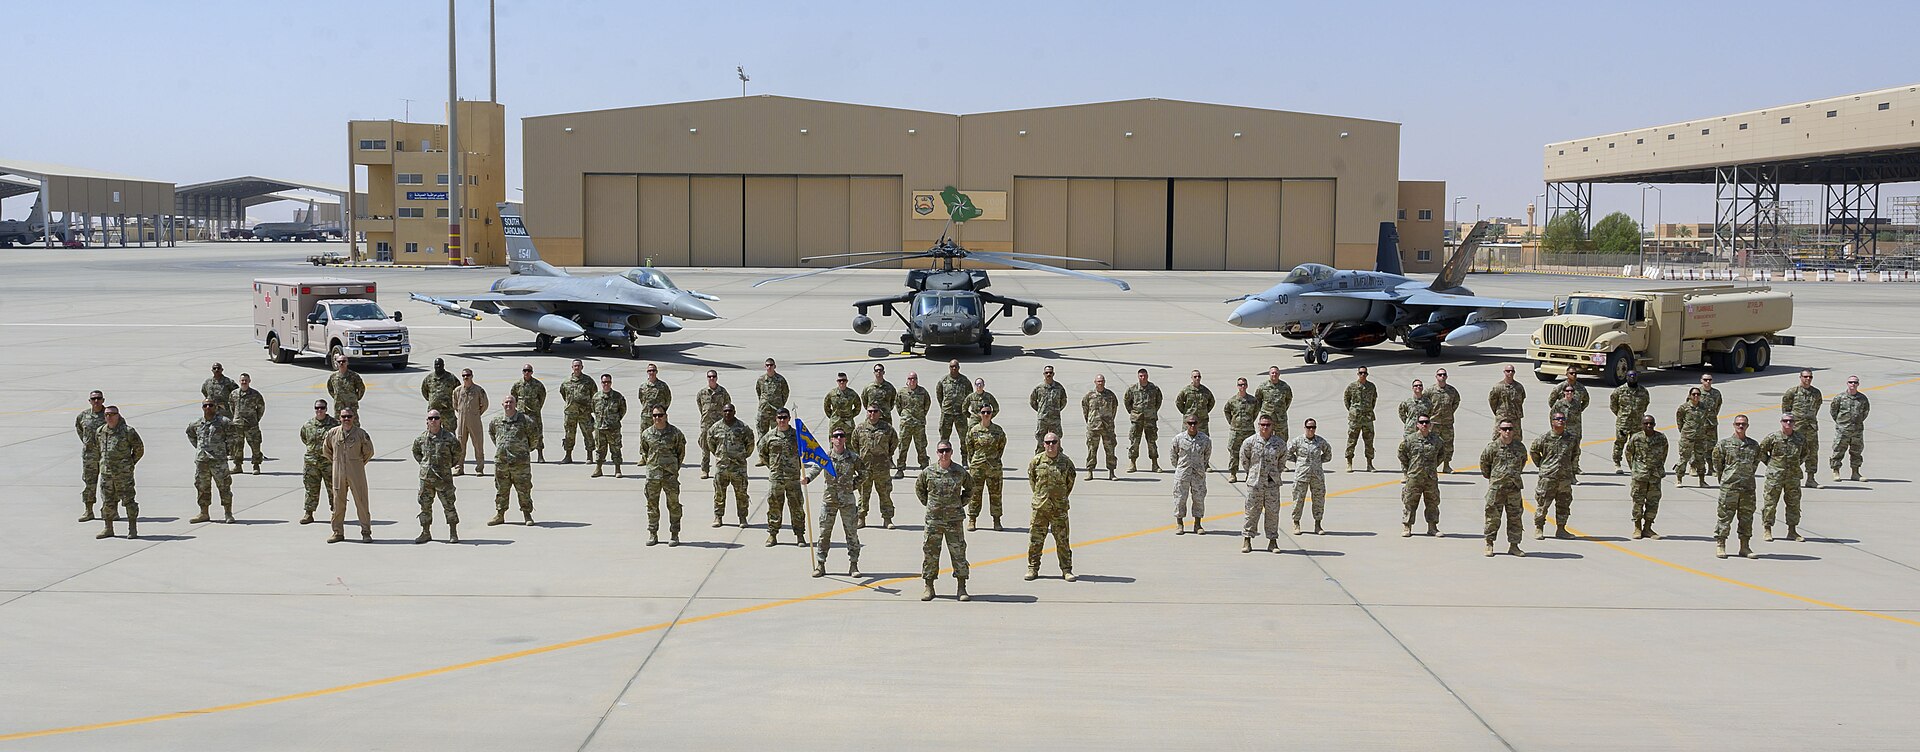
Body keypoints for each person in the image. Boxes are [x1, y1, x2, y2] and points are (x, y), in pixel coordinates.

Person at [916, 440, 974, 601]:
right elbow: (919, 489)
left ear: (951, 452)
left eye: (947, 450)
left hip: (954, 520)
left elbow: (970, 488)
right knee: (930, 553)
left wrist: (959, 503)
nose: (944, 454)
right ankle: (929, 586)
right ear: (937, 453)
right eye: (941, 451)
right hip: (933, 520)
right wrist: (929, 505)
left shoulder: (959, 471)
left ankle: (961, 587)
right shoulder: (928, 472)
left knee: (958, 553)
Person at [810, 429, 864, 578]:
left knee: (851, 533)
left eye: (841, 436)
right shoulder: (825, 457)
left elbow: (864, 472)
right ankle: (820, 564)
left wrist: (853, 485)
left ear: (845, 439)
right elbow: (815, 469)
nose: (839, 438)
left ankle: (853, 565)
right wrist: (807, 479)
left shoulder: (852, 457)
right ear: (831, 439)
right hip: (830, 501)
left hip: (847, 502)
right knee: (824, 533)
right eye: (836, 436)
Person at [1026, 432, 1077, 581]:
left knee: (1062, 540)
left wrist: (1060, 497)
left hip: (1059, 508)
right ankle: (1032, 568)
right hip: (1040, 508)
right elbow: (1032, 481)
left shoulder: (1066, 462)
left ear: (1058, 443)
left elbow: (1070, 482)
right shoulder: (1036, 461)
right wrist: (1041, 496)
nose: (1050, 445)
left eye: (1054, 442)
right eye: (1048, 442)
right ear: (1043, 444)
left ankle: (1066, 570)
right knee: (1035, 540)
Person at [1711, 415, 1762, 559]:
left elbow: (1755, 463)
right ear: (1734, 425)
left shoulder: (1753, 445)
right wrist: (1725, 479)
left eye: (1743, 424)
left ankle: (1744, 547)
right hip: (1729, 487)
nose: (1741, 426)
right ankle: (1721, 544)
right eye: (1738, 424)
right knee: (1724, 517)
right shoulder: (1724, 444)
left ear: (1747, 426)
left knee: (1746, 518)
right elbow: (1718, 464)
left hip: (1748, 488)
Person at [757, 409, 809, 546]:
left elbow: (806, 452)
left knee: (797, 507)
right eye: (779, 417)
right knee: (774, 506)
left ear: (789, 418)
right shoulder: (770, 436)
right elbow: (762, 453)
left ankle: (800, 535)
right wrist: (773, 466)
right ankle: (772, 535)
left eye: (784, 417)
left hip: (793, 478)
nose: (782, 420)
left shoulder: (797, 435)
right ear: (776, 419)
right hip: (776, 478)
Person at [323, 408, 375, 543]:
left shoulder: (360, 434)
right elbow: (327, 450)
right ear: (339, 418)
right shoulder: (332, 433)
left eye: (349, 416)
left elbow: (369, 452)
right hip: (338, 471)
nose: (346, 419)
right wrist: (337, 462)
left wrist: (357, 464)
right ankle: (337, 532)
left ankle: (366, 532)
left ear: (353, 417)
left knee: (361, 502)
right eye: (344, 416)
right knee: (338, 503)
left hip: (356, 471)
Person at [636, 405, 687, 545]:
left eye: (660, 415)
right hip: (653, 476)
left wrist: (673, 467)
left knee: (674, 505)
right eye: (655, 415)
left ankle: (674, 534)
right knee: (652, 505)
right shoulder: (646, 434)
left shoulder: (675, 433)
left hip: (669, 475)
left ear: (665, 416)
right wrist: (652, 466)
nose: (657, 418)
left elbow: (680, 452)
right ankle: (653, 533)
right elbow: (645, 452)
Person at [410, 409, 461, 544]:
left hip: (443, 479)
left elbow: (457, 453)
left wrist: (447, 465)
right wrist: (424, 465)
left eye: (436, 418)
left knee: (449, 505)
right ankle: (425, 532)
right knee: (425, 506)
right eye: (431, 418)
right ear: (427, 421)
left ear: (440, 420)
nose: (433, 421)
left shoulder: (449, 438)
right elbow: (416, 453)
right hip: (426, 479)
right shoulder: (421, 439)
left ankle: (453, 532)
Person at [1238, 416, 1287, 553]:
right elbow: (1244, 459)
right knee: (1251, 512)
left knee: (1273, 513)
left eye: (1268, 425)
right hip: (1255, 484)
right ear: (1258, 425)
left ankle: (1272, 541)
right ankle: (1247, 540)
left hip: (1272, 484)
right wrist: (1252, 473)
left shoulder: (1279, 443)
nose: (1265, 427)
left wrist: (1275, 473)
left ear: (1273, 426)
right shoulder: (1250, 442)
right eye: (1262, 424)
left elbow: (1282, 462)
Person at [93, 405, 143, 539]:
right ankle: (108, 528)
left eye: (112, 414)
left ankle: (132, 529)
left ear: (118, 415)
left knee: (129, 500)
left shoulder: (128, 431)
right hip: (106, 473)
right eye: (107, 415)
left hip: (123, 474)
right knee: (107, 501)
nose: (109, 417)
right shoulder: (100, 431)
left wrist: (129, 464)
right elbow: (99, 448)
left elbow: (139, 449)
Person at [1757, 415, 1809, 543]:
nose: (1788, 423)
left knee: (1793, 503)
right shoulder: (1773, 437)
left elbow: (1805, 453)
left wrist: (1796, 464)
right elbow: (1761, 451)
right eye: (1785, 421)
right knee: (1770, 502)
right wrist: (1771, 464)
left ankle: (1792, 530)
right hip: (1775, 476)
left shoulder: (1800, 438)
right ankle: (1767, 529)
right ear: (1781, 422)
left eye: (1791, 421)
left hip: (1793, 476)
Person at [1480, 421, 1528, 557]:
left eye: (1510, 429)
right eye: (1504, 429)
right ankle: (1489, 544)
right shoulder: (1492, 447)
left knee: (1515, 518)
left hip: (1514, 488)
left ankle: (1514, 545)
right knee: (1492, 518)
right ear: (1499, 430)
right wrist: (1494, 478)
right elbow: (1484, 465)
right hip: (1497, 489)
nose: (1507, 431)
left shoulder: (1519, 447)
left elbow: (1523, 462)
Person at [1529, 411, 1579, 539]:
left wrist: (1570, 469)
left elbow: (1575, 454)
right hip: (1548, 477)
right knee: (1543, 503)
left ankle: (1561, 529)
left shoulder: (1571, 438)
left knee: (1564, 504)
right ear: (1552, 422)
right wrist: (1542, 466)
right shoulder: (1544, 438)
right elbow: (1534, 451)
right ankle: (1539, 528)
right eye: (1557, 419)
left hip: (1564, 478)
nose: (1561, 421)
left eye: (1562, 419)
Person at [185, 400, 235, 524]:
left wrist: (226, 451)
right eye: (205, 405)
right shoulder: (197, 423)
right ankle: (204, 513)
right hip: (202, 461)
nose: (208, 407)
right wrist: (198, 448)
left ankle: (228, 513)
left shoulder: (224, 422)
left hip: (218, 461)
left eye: (211, 405)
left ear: (216, 407)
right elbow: (190, 433)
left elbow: (233, 437)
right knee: (202, 487)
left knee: (224, 486)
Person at [490, 395, 537, 527]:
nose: (508, 404)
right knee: (501, 489)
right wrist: (502, 449)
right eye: (506, 402)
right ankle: (500, 514)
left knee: (524, 489)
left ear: (515, 404)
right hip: (502, 462)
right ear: (502, 404)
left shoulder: (525, 420)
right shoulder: (496, 421)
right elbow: (493, 435)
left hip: (520, 463)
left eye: (511, 402)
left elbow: (534, 438)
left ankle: (527, 514)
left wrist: (524, 451)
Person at [706, 403, 755, 528]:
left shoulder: (743, 428)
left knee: (741, 494)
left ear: (734, 411)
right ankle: (718, 517)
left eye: (730, 411)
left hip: (738, 468)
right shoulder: (715, 428)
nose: (727, 413)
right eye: (725, 411)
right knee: (719, 493)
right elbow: (711, 444)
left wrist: (741, 456)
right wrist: (719, 455)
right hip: (722, 467)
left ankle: (742, 517)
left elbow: (750, 444)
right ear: (722, 412)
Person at [1623, 415, 1669, 539]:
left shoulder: (1661, 438)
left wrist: (1658, 467)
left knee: (1653, 502)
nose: (1649, 426)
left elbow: (1664, 453)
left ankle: (1648, 528)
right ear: (1642, 425)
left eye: (1651, 423)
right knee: (1638, 501)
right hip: (1640, 476)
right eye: (1646, 423)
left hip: (1655, 475)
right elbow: (1628, 453)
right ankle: (1637, 527)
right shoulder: (1636, 438)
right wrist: (1634, 468)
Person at [964, 403, 1008, 530]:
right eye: (983, 412)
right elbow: (969, 448)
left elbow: (1001, 447)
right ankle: (972, 519)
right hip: (977, 467)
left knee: (995, 494)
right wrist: (975, 461)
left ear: (991, 414)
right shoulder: (974, 431)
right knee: (975, 494)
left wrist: (994, 459)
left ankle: (996, 520)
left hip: (994, 468)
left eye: (988, 412)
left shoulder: (998, 431)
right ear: (979, 414)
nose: (986, 415)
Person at [1287, 418, 1335, 536]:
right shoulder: (1298, 441)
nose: (1311, 430)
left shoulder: (1320, 441)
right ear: (1305, 428)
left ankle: (1318, 524)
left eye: (1313, 427)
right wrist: (1298, 462)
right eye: (1309, 427)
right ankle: (1296, 523)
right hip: (1301, 475)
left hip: (1317, 476)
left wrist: (1318, 462)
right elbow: (1287, 453)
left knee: (1318, 500)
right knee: (1298, 500)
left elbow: (1328, 454)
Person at [853, 405, 899, 528]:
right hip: (865, 468)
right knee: (863, 494)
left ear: (879, 413)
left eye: (875, 411)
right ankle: (861, 518)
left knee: (885, 494)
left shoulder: (887, 428)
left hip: (882, 468)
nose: (872, 414)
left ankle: (887, 519)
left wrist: (887, 455)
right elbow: (854, 444)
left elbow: (894, 442)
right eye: (870, 411)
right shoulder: (860, 428)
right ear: (867, 413)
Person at [1397, 416, 1442, 537]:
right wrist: (1409, 469)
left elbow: (1442, 454)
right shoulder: (1410, 439)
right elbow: (1402, 454)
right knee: (1410, 501)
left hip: (1430, 477)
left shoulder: (1436, 440)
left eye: (1427, 422)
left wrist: (1432, 466)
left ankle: (1432, 527)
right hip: (1414, 476)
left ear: (1430, 424)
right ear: (1417, 424)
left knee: (1432, 502)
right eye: (1421, 422)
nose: (1424, 425)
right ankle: (1407, 526)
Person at [298, 400, 340, 524]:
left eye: (322, 408)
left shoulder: (335, 425)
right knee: (311, 488)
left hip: (328, 463)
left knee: (333, 489)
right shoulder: (308, 425)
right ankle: (309, 513)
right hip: (311, 463)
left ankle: (336, 513)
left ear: (326, 409)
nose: (319, 410)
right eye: (317, 408)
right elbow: (304, 438)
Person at [1781, 369, 1824, 488]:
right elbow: (1786, 410)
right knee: (1794, 453)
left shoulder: (1816, 393)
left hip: (1811, 428)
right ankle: (1791, 479)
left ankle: (1811, 478)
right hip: (1796, 428)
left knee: (1812, 453)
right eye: (1805, 377)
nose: (1808, 379)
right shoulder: (1792, 392)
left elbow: (1817, 406)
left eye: (1810, 377)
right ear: (1800, 377)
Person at [1169, 413, 1211, 535]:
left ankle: (1197, 524)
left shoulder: (1205, 439)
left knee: (1199, 499)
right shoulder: (1178, 439)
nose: (1192, 425)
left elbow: (1206, 456)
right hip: (1183, 473)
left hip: (1198, 474)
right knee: (1180, 498)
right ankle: (1180, 523)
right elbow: (1173, 455)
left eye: (1194, 423)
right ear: (1186, 424)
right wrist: (1180, 468)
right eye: (1190, 423)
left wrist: (1200, 467)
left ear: (1198, 424)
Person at [1828, 375, 1870, 482]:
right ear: (1847, 383)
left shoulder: (1862, 399)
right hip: (1842, 430)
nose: (1853, 384)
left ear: (1858, 384)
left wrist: (1857, 423)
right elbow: (1834, 411)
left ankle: (1855, 473)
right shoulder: (1840, 397)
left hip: (1857, 430)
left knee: (1856, 451)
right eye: (1851, 382)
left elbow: (1865, 412)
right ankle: (1836, 471)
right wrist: (1841, 423)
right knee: (1838, 450)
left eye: (1855, 382)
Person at [75, 390, 108, 522]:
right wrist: (88, 443)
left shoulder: (109, 414)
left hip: (106, 455)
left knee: (108, 484)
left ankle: (109, 511)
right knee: (89, 483)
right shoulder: (83, 416)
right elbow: (79, 429)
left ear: (103, 400)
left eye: (99, 398)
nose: (96, 401)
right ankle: (88, 511)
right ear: (89, 401)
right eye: (93, 399)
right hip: (89, 456)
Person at [1610, 371, 1651, 473]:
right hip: (1623, 422)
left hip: (1637, 422)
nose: (1632, 378)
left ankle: (1634, 464)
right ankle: (1617, 463)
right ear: (1626, 377)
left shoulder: (1643, 391)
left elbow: (1645, 404)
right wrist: (1621, 415)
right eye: (1630, 376)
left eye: (1634, 376)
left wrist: (1638, 414)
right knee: (1620, 442)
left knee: (1637, 444)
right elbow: (1613, 405)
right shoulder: (1619, 391)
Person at [693, 369, 731, 479]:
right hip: (706, 424)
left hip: (719, 424)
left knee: (721, 448)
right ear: (707, 378)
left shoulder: (722, 392)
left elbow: (728, 406)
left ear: (717, 378)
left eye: (713, 376)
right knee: (705, 448)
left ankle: (722, 470)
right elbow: (700, 406)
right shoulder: (702, 393)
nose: (712, 379)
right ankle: (705, 470)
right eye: (709, 377)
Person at [1674, 387, 1715, 487]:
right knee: (1684, 458)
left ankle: (1702, 480)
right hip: (1687, 436)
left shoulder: (1704, 407)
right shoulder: (1684, 407)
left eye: (1698, 394)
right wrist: (1684, 431)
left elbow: (1706, 418)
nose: (1696, 396)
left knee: (1701, 459)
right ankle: (1679, 479)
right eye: (1694, 394)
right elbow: (1679, 420)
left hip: (1700, 437)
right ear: (1689, 396)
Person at [1125, 369, 1163, 473]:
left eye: (1145, 376)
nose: (1143, 378)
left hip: (1150, 420)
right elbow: (1127, 401)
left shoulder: (1154, 389)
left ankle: (1155, 464)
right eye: (1141, 376)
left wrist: (1152, 411)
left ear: (1148, 376)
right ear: (1138, 376)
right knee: (1134, 442)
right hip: (1137, 420)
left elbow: (1159, 401)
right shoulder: (1133, 389)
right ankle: (1132, 463)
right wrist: (1133, 412)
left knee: (1152, 441)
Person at [1551, 372, 1590, 476]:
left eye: (1575, 373)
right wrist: (1555, 426)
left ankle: (1575, 467)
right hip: (1563, 428)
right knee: (1561, 449)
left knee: (1576, 449)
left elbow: (1586, 400)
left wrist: (1580, 410)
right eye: (1571, 373)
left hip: (1575, 428)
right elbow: (1552, 404)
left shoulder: (1577, 401)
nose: (1574, 375)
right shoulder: (1560, 392)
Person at [452, 368, 489, 476]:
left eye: (467, 375)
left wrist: (476, 414)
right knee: (460, 444)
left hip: (474, 420)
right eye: (463, 376)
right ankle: (459, 467)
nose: (465, 377)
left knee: (478, 444)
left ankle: (479, 468)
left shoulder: (478, 390)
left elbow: (485, 404)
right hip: (462, 419)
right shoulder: (458, 391)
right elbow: (455, 404)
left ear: (472, 376)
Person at [1082, 374, 1120, 480]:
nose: (1100, 383)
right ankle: (1089, 471)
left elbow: (1114, 409)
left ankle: (1112, 472)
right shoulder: (1089, 395)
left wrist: (1109, 420)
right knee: (1091, 450)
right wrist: (1091, 421)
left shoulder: (1110, 395)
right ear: (1095, 382)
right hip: (1093, 427)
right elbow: (1085, 409)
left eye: (1102, 381)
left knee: (1110, 450)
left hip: (1107, 427)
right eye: (1098, 381)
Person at [558, 359, 596, 464]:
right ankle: (568, 456)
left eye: (579, 366)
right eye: (575, 366)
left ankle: (589, 456)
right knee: (569, 434)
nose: (577, 368)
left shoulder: (588, 381)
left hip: (584, 413)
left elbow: (594, 395)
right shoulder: (566, 382)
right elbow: (563, 394)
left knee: (588, 434)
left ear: (582, 367)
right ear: (572, 367)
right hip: (570, 413)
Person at [894, 371, 931, 476]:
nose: (912, 380)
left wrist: (921, 416)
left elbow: (927, 404)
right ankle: (900, 468)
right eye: (910, 378)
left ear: (917, 380)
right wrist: (904, 416)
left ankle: (924, 467)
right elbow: (898, 405)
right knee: (902, 447)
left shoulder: (923, 392)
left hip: (919, 425)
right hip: (906, 424)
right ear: (907, 380)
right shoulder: (902, 392)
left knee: (921, 446)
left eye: (914, 378)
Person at [1222, 377, 1258, 483]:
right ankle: (1233, 474)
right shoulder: (1232, 400)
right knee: (1234, 453)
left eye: (1244, 385)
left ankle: (1249, 474)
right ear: (1237, 386)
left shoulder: (1253, 400)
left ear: (1246, 386)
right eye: (1240, 385)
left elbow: (1255, 412)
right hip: (1236, 431)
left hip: (1249, 430)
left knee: (1250, 453)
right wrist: (1232, 422)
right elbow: (1226, 411)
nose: (1242, 387)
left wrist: (1249, 421)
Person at [511, 364, 549, 463]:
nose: (526, 372)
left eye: (529, 370)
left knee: (538, 434)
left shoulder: (538, 384)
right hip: (522, 414)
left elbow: (542, 397)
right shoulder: (517, 384)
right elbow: (513, 397)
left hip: (534, 414)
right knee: (520, 434)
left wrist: (537, 408)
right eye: (525, 370)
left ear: (532, 372)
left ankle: (540, 455)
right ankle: (521, 456)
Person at [229, 373, 266, 474]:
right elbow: (232, 406)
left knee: (255, 445)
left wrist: (255, 419)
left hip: (251, 425)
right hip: (238, 425)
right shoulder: (234, 393)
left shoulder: (255, 394)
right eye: (242, 380)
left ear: (249, 381)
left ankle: (256, 465)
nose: (244, 382)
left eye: (246, 380)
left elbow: (261, 407)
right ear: (239, 381)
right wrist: (236, 418)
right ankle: (237, 466)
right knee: (237, 446)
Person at [1342, 367, 1378, 472]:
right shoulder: (1352, 386)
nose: (1363, 375)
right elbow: (1346, 399)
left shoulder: (1371, 387)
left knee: (1369, 441)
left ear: (1367, 374)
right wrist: (1352, 410)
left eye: (1365, 373)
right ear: (1358, 374)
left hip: (1367, 418)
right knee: (1352, 440)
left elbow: (1373, 400)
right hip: (1355, 419)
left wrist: (1368, 410)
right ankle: (1349, 462)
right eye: (1361, 373)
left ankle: (1369, 464)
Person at [592, 373, 627, 477]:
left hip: (613, 428)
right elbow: (593, 409)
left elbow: (623, 410)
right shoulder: (596, 397)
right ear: (601, 383)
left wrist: (615, 420)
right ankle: (598, 469)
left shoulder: (618, 396)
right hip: (600, 428)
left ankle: (617, 469)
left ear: (611, 383)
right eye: (604, 382)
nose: (606, 384)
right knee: (599, 449)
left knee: (616, 449)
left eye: (608, 382)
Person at [1029, 365, 1068, 453]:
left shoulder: (1059, 387)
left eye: (1050, 372)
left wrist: (1056, 410)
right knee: (1041, 441)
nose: (1048, 374)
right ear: (1044, 374)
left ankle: (1058, 461)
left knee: (1056, 440)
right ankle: (1039, 461)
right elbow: (1032, 401)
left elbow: (1063, 401)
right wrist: (1040, 410)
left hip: (1055, 419)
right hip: (1042, 419)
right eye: (1047, 373)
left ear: (1053, 374)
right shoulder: (1039, 388)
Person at [1429, 368, 1462, 472]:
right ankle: (1432, 466)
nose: (1442, 376)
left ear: (1446, 377)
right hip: (1434, 423)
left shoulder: (1452, 391)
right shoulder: (1430, 391)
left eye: (1444, 375)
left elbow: (1456, 401)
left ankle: (1446, 466)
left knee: (1448, 445)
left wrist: (1450, 412)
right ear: (1436, 377)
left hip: (1447, 423)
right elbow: (1425, 403)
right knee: (1432, 445)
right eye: (1439, 375)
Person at [960, 378, 1000, 462]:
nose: (979, 386)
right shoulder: (971, 397)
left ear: (983, 385)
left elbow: (996, 408)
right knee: (971, 440)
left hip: (985, 421)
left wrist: (989, 416)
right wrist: (971, 416)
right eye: (977, 384)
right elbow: (964, 408)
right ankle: (970, 459)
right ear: (975, 386)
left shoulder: (988, 396)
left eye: (981, 384)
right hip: (974, 421)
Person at [1254, 365, 1294, 449]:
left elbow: (1288, 399)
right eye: (1272, 373)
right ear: (1269, 374)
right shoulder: (1263, 386)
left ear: (1279, 374)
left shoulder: (1285, 387)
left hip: (1280, 420)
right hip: (1267, 420)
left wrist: (1282, 410)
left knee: (1282, 442)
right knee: (1264, 440)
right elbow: (1258, 400)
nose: (1274, 375)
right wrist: (1265, 411)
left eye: (1276, 373)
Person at [935, 359, 970, 449]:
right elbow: (939, 395)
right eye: (952, 366)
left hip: (960, 414)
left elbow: (969, 396)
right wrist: (943, 407)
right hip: (947, 414)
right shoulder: (943, 381)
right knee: (944, 439)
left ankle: (965, 459)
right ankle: (944, 458)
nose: (954, 368)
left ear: (959, 368)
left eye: (955, 366)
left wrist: (964, 408)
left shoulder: (965, 381)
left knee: (964, 439)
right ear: (949, 367)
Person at [1488, 365, 1527, 441]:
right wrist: (1499, 412)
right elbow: (1492, 401)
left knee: (1516, 437)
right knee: (1498, 436)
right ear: (1504, 372)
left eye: (1512, 371)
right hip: (1502, 416)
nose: (1510, 373)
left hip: (1515, 417)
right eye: (1508, 371)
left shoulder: (1519, 387)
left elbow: (1521, 399)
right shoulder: (1498, 387)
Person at [422, 358, 460, 434]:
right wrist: (433, 400)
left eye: (440, 365)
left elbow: (458, 391)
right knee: (432, 433)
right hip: (434, 412)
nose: (438, 366)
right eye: (436, 365)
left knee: (450, 433)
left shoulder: (451, 378)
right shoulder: (429, 379)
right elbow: (424, 391)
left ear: (443, 365)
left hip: (448, 411)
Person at [1175, 369, 1215, 436]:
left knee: (1204, 439)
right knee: (1186, 438)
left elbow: (1212, 401)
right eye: (1195, 377)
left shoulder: (1205, 391)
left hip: (1202, 421)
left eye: (1199, 376)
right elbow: (1178, 401)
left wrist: (1205, 411)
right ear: (1191, 378)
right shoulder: (1186, 390)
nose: (1197, 378)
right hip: (1189, 421)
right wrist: (1185, 412)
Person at [756, 358, 790, 436]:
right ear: (765, 366)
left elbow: (785, 393)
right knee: (762, 435)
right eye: (767, 365)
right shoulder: (761, 380)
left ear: (775, 366)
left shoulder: (780, 380)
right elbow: (759, 392)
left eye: (771, 365)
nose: (769, 367)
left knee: (776, 434)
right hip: (764, 411)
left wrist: (780, 404)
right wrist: (763, 402)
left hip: (776, 411)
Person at [823, 372, 862, 437]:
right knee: (834, 442)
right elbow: (826, 406)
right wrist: (833, 416)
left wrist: (850, 415)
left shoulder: (852, 394)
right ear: (837, 381)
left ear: (847, 381)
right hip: (835, 422)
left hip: (848, 423)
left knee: (850, 444)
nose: (842, 382)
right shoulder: (832, 393)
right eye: (839, 380)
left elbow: (858, 406)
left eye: (844, 380)